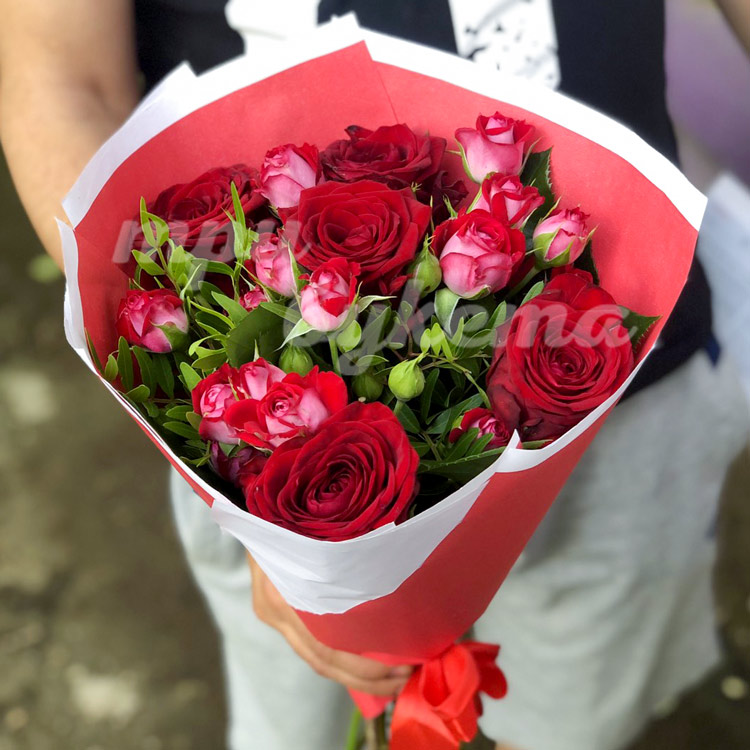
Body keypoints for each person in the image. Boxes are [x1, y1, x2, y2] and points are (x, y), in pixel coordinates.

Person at [1, 1, 749, 749]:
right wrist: (264, 496)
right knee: (299, 715)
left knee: (577, 707)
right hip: (262, 446)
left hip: (626, 375)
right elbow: (60, 77)